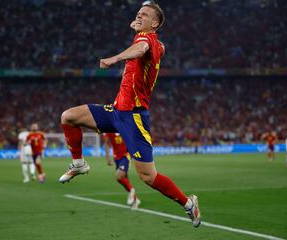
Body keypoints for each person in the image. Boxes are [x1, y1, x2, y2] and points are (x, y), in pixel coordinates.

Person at [58, 3, 201, 227]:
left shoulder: (145, 41)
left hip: (133, 117)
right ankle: (78, 163)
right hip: (116, 111)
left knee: (147, 177)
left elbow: (141, 49)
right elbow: (156, 47)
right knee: (68, 116)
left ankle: (188, 203)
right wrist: (138, 33)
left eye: (144, 14)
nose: (138, 15)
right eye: (138, 13)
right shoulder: (154, 42)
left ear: (155, 23)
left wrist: (114, 58)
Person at [103, 132, 140, 208]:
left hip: (126, 156)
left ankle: (132, 190)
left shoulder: (124, 126)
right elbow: (107, 142)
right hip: (116, 158)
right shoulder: (109, 129)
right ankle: (136, 200)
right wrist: (107, 157)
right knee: (125, 180)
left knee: (119, 177)